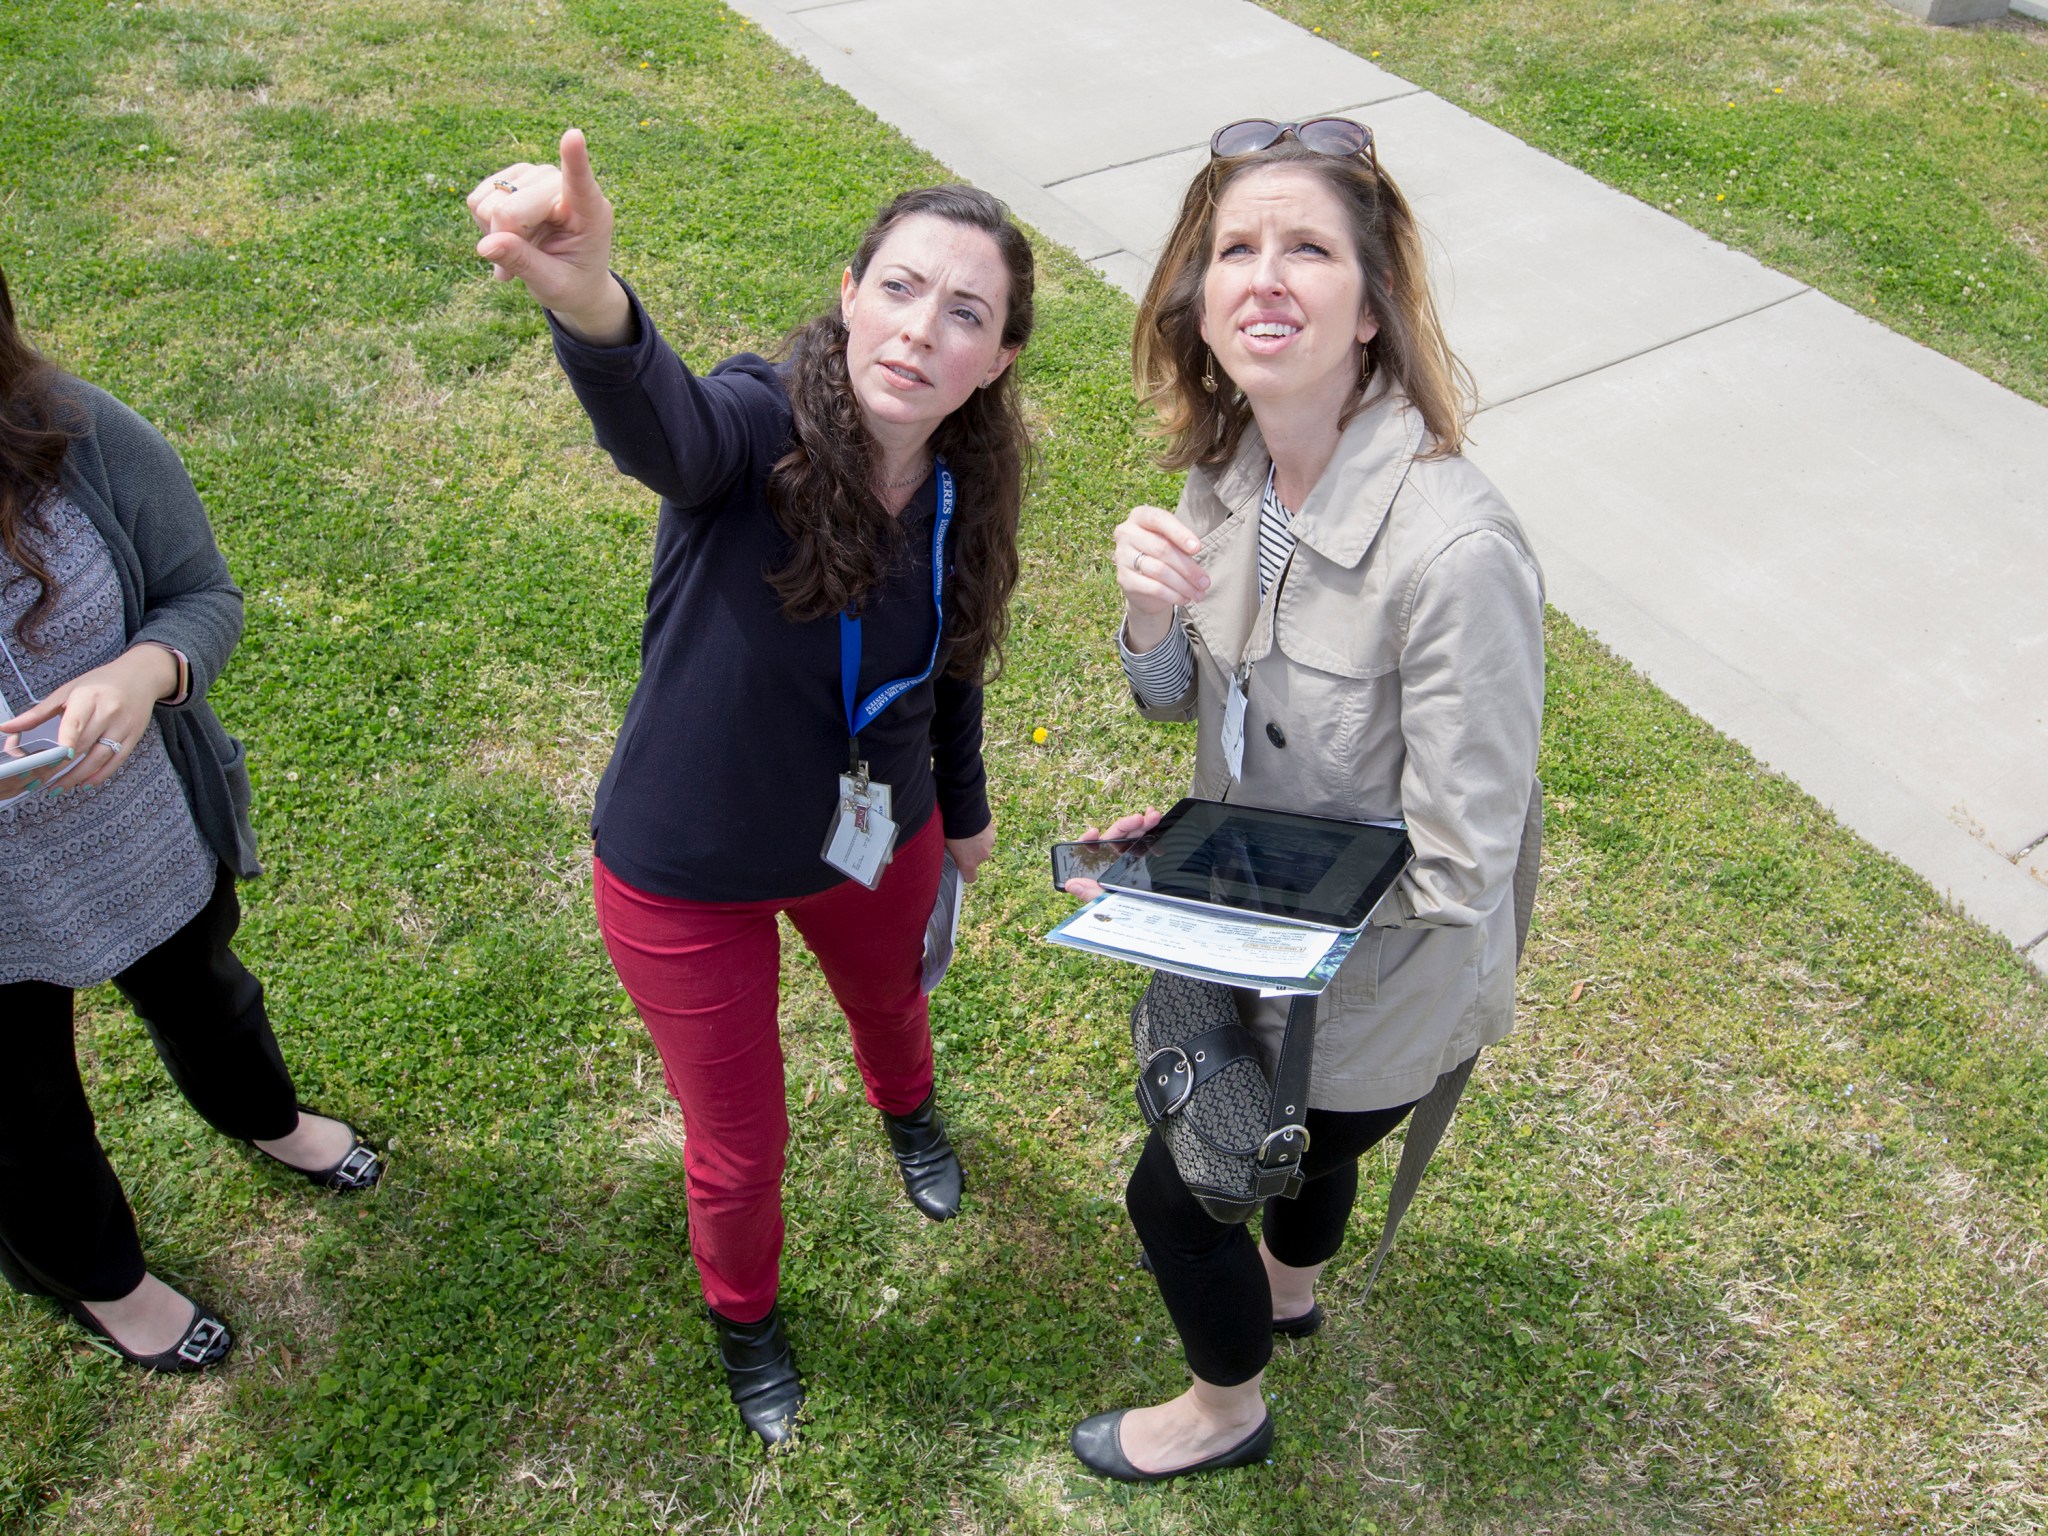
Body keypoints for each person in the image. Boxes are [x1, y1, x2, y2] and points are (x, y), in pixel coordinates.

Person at [467, 130, 1033, 1445]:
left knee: (891, 1000)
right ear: (848, 294)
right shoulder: (757, 421)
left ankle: (911, 1118)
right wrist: (594, 308)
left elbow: (954, 661)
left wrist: (968, 807)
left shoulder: (969, 480)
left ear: (996, 359)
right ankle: (747, 1318)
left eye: (965, 313)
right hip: (687, 863)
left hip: (871, 832)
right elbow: (664, 426)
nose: (919, 332)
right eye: (898, 288)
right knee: (742, 1146)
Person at [1064, 118, 1545, 1480]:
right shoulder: (1225, 479)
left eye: (1310, 249)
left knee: (1180, 1197)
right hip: (1266, 933)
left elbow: (1457, 868)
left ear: (1376, 309)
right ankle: (1291, 1292)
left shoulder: (1453, 551)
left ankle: (1226, 1412)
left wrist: (1220, 875)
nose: (1266, 276)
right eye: (1236, 249)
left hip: (1380, 988)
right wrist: (1148, 616)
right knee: (1294, 1167)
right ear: (1199, 300)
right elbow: (1181, 702)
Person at [0, 265, 384, 1376]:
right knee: (20, 1118)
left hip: (139, 832)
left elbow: (202, 594)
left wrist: (145, 671)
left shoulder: (64, 426)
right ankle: (103, 1284)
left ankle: (265, 1117)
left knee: (205, 995)